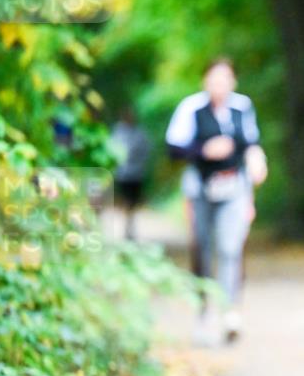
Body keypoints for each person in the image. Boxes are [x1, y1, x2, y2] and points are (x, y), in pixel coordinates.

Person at [166, 58, 268, 345]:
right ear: (205, 82)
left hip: (234, 187)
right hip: (200, 189)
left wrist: (257, 161)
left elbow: (251, 143)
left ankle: (230, 311)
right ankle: (203, 312)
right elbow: (173, 148)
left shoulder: (242, 107)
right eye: (214, 79)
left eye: (225, 79)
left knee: (230, 247)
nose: (219, 85)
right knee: (202, 249)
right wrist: (203, 150)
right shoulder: (191, 108)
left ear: (233, 82)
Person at [110, 108, 151, 240]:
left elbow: (146, 150)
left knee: (133, 201)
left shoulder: (139, 133)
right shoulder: (118, 132)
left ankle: (130, 223)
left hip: (136, 173)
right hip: (123, 173)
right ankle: (127, 225)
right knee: (126, 199)